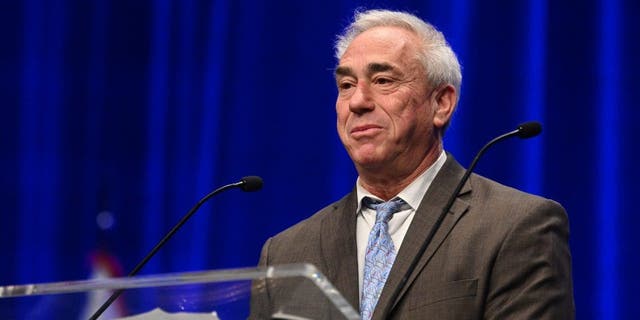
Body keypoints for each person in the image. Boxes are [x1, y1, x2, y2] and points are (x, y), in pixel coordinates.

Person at [251, 9, 574, 320]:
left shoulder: (516, 227)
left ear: (441, 103)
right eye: (346, 85)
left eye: (383, 80)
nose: (358, 101)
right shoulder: (286, 253)